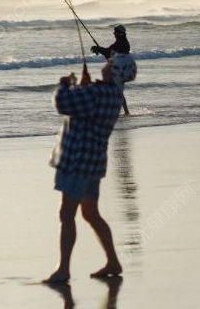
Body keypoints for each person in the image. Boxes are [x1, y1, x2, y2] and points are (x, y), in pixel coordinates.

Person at [44, 56, 136, 284]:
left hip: (77, 163)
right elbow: (85, 111)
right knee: (90, 214)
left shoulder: (96, 93)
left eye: (110, 63)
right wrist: (82, 86)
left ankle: (63, 269)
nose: (105, 64)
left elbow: (63, 104)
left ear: (114, 71)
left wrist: (65, 83)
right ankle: (113, 261)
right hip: (94, 163)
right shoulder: (112, 95)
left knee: (67, 214)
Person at [91, 24, 132, 115]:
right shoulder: (121, 42)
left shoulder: (121, 43)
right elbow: (109, 52)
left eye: (115, 32)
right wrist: (99, 49)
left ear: (119, 34)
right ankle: (125, 111)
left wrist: (98, 48)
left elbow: (109, 52)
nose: (114, 34)